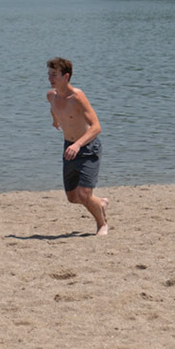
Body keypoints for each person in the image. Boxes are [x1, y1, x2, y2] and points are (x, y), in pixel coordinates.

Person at [47, 57, 108, 235]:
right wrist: (55, 120)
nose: (50, 78)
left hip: (87, 148)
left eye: (54, 74)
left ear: (66, 76)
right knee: (73, 197)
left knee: (84, 193)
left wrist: (77, 145)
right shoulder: (51, 96)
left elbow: (96, 127)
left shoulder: (77, 97)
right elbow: (53, 108)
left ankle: (102, 224)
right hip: (69, 147)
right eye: (49, 74)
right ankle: (99, 202)